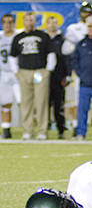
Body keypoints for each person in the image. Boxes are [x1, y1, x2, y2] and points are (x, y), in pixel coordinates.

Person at [9, 11, 55, 140]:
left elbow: (51, 54)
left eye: (32, 20)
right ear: (23, 21)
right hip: (24, 72)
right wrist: (16, 72)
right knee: (26, 102)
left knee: (41, 101)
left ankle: (42, 130)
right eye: (27, 20)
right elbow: (12, 56)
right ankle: (27, 130)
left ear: (35, 21)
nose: (29, 22)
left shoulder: (43, 36)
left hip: (39, 72)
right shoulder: (18, 37)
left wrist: (47, 70)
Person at [62, 1, 92, 135]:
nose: (86, 15)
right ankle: (77, 126)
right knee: (78, 99)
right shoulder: (73, 28)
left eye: (88, 12)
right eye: (84, 12)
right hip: (80, 68)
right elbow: (66, 50)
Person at [46, 15, 69, 140]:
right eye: (50, 23)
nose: (52, 25)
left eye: (55, 23)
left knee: (59, 105)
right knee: (44, 104)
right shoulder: (43, 39)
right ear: (46, 25)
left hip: (58, 76)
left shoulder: (62, 40)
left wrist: (67, 75)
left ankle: (61, 130)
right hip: (44, 76)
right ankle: (43, 129)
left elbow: (66, 59)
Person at [0, 13, 19, 139]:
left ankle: (31, 129)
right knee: (5, 103)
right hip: (3, 72)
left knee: (23, 101)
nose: (8, 24)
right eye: (5, 22)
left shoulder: (18, 35)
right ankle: (6, 129)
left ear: (14, 23)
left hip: (18, 73)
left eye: (10, 22)